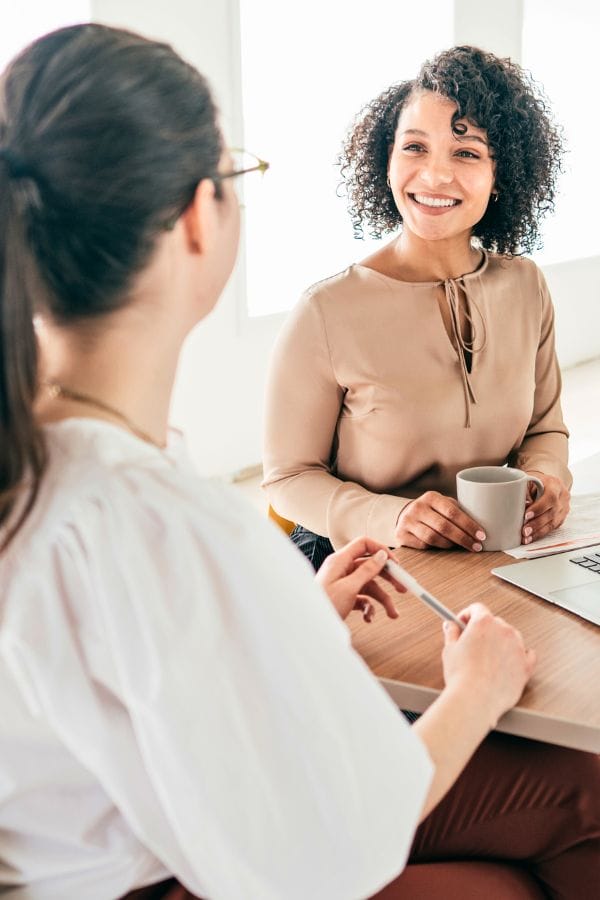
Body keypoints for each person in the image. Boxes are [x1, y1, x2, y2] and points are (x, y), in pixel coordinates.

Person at [0, 25, 597, 900]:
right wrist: (478, 688)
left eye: (465, 152)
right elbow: (330, 849)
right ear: (203, 215)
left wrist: (297, 618)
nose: (435, 173)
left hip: (143, 848)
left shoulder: (64, 475)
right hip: (179, 877)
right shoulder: (168, 522)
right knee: (585, 798)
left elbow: (149, 685)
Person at [263, 46, 572, 571]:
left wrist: (548, 480)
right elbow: (288, 479)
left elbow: (545, 428)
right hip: (358, 565)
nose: (434, 176)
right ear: (386, 160)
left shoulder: (525, 286)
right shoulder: (326, 310)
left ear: (503, 175)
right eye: (414, 147)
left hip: (487, 557)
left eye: (466, 153)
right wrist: (393, 517)